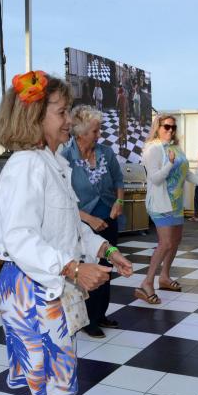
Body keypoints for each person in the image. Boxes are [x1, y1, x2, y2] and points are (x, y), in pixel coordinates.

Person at [0, 71, 133, 395]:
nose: (68, 120)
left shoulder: (52, 163)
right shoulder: (26, 165)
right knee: (53, 385)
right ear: (34, 115)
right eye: (62, 112)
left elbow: (68, 228)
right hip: (32, 287)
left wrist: (104, 251)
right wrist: (71, 268)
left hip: (44, 284)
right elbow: (21, 238)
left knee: (53, 383)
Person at [61, 105, 125, 338]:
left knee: (106, 267)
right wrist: (88, 218)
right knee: (85, 270)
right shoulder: (65, 156)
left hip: (109, 220)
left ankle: (100, 313)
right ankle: (87, 319)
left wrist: (119, 203)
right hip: (82, 223)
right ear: (80, 132)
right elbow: (64, 198)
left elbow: (119, 181)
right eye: (95, 131)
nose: (99, 136)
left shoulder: (106, 153)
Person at [136, 114, 198, 304]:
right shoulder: (152, 149)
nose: (170, 130)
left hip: (176, 203)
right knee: (166, 243)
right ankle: (146, 283)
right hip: (161, 203)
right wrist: (169, 163)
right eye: (167, 127)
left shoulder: (175, 148)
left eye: (173, 127)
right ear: (158, 127)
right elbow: (155, 178)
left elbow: (186, 173)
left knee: (175, 241)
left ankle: (164, 277)